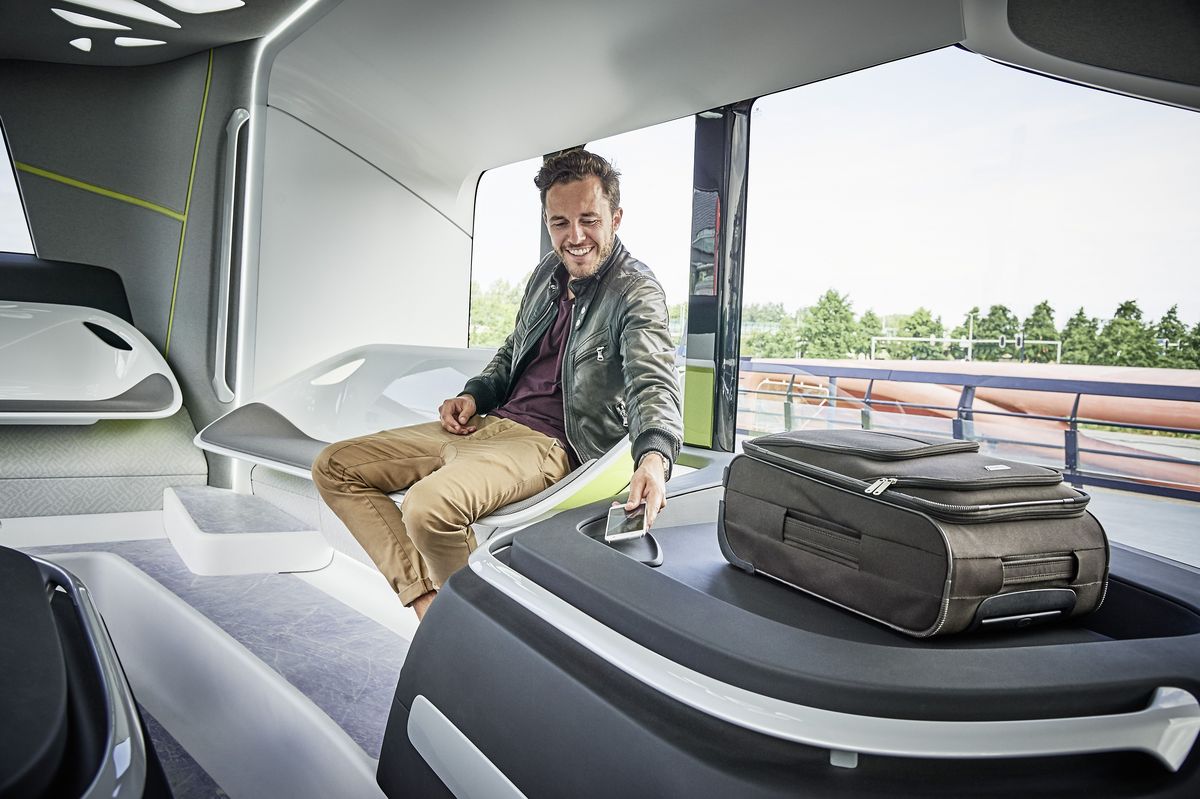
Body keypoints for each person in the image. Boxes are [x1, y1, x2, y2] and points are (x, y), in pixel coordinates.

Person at [312, 149, 682, 621]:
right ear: (548, 223)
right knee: (335, 465)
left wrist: (653, 457)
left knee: (427, 507)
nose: (575, 237)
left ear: (616, 218)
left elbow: (653, 381)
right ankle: (433, 606)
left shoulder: (636, 291)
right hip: (488, 425)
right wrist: (474, 394)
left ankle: (469, 624)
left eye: (589, 220)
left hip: (548, 445)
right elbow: (512, 351)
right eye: (560, 223)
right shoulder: (547, 275)